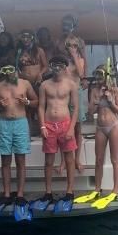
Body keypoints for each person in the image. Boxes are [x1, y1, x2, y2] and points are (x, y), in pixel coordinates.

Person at [76, 65, 118, 209]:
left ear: (107, 76)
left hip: (113, 126)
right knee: (98, 160)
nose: (97, 78)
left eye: (100, 75)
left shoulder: (115, 91)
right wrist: (96, 101)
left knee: (115, 159)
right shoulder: (95, 91)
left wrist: (110, 101)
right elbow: (90, 112)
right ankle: (97, 189)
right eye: (96, 75)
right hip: (100, 128)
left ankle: (115, 190)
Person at [0, 64, 37, 207]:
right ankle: (6, 193)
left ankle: (20, 194)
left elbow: (36, 101)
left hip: (20, 123)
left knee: (20, 160)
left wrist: (27, 102)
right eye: (6, 70)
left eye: (11, 70)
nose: (9, 73)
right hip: (4, 123)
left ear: (16, 71)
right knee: (5, 161)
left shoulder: (25, 84)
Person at [36, 55, 78, 209]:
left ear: (65, 67)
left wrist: (72, 127)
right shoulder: (44, 85)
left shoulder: (71, 85)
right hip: (49, 125)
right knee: (48, 161)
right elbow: (40, 107)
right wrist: (42, 126)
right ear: (51, 66)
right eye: (54, 64)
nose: (57, 67)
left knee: (69, 159)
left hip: (66, 124)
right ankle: (48, 192)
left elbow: (75, 108)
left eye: (60, 65)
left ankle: (70, 191)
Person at [56, 13, 87, 173]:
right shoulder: (61, 62)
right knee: (64, 128)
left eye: (74, 46)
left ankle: (77, 159)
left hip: (77, 94)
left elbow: (81, 74)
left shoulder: (79, 59)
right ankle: (63, 161)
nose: (71, 48)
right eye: (69, 45)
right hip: (63, 95)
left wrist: (75, 56)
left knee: (77, 129)